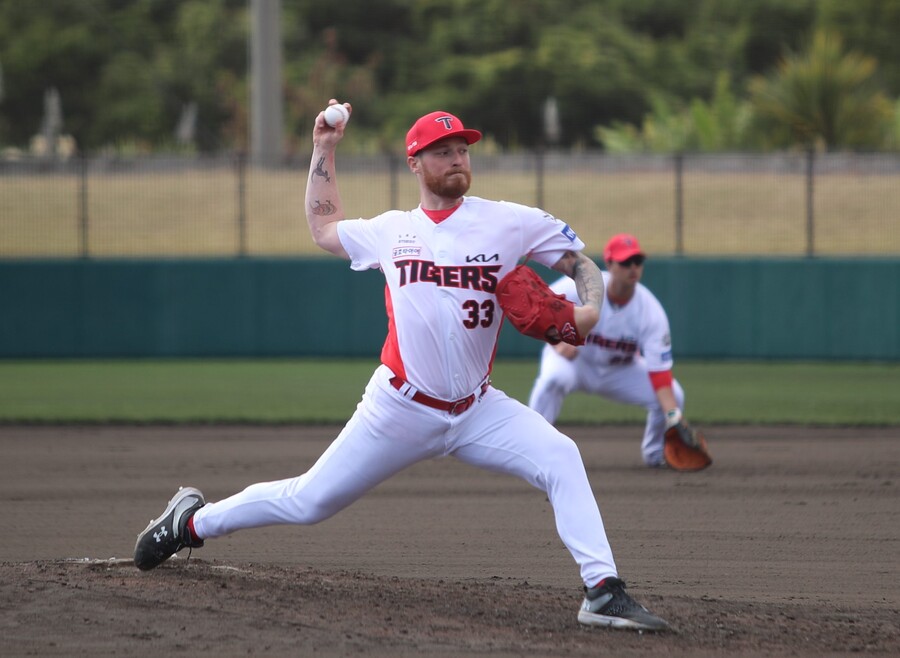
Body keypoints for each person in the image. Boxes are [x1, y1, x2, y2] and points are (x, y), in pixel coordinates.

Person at [133, 103, 669, 632]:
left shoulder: (509, 222)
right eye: (443, 151)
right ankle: (191, 522)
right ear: (415, 163)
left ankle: (602, 591)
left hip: (478, 408)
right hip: (398, 407)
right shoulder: (391, 231)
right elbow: (324, 228)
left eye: (462, 149)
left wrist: (591, 307)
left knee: (561, 455)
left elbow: (578, 262)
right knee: (310, 500)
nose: (457, 158)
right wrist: (323, 148)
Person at [528, 233, 686, 468]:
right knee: (553, 378)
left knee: (675, 396)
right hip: (575, 363)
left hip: (619, 371)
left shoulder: (650, 310)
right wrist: (557, 340)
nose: (633, 268)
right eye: (625, 262)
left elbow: (659, 373)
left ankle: (655, 454)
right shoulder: (584, 284)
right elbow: (537, 305)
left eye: (637, 262)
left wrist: (673, 416)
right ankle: (531, 448)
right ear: (610, 264)